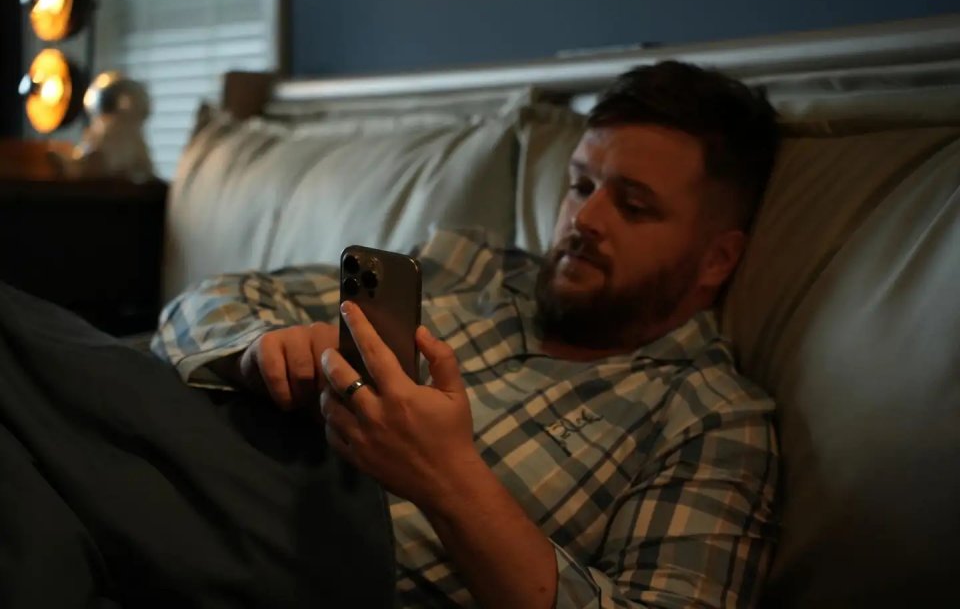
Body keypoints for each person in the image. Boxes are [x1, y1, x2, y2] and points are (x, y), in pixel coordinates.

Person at [150, 60, 781, 608]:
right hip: (210, 460)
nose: (585, 218)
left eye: (634, 206)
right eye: (581, 186)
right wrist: (258, 349)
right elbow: (214, 296)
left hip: (304, 554)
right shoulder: (472, 266)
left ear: (717, 260)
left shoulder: (711, 420)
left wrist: (447, 479)